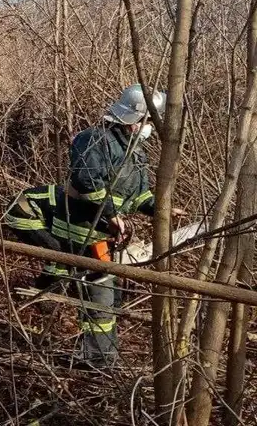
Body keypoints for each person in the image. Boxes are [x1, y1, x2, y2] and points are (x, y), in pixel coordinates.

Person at [51, 84, 165, 369]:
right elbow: (86, 182)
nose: (149, 127)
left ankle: (100, 353)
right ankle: (97, 360)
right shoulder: (93, 140)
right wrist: (112, 214)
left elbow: (139, 194)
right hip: (83, 228)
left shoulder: (135, 150)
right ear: (134, 118)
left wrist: (159, 209)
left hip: (106, 231)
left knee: (111, 298)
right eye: (148, 121)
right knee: (100, 294)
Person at [3, 181, 69, 288]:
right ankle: (48, 287)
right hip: (21, 212)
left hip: (24, 207)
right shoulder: (67, 202)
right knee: (58, 253)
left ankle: (46, 284)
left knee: (55, 251)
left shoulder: (68, 196)